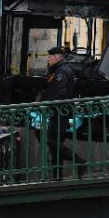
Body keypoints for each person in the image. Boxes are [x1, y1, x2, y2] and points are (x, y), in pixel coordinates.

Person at [41, 46, 80, 180]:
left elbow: (61, 94)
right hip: (60, 112)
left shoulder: (61, 72)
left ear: (57, 57)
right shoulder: (60, 70)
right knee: (55, 145)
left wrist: (50, 105)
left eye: (50, 57)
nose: (48, 60)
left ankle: (79, 162)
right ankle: (57, 175)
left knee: (52, 143)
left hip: (60, 113)